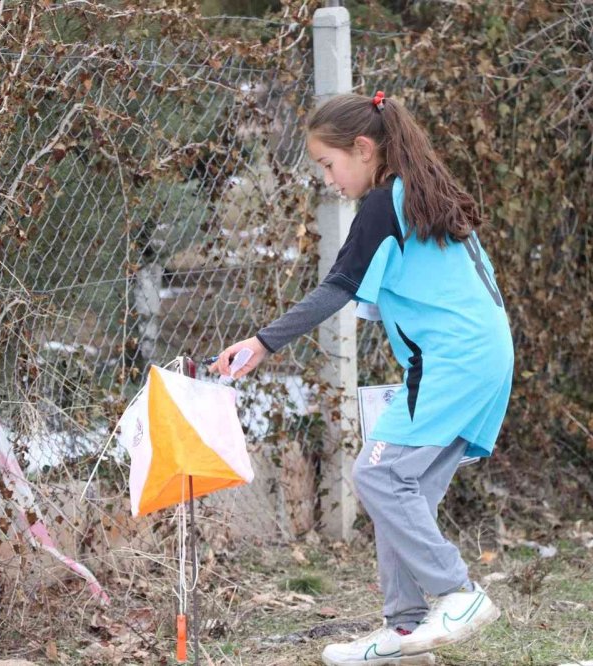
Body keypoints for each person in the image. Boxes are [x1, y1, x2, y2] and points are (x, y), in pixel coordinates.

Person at [209, 91, 513, 666]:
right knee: (407, 491)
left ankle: (458, 593)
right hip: (481, 356)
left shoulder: (385, 202)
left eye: (328, 164)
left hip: (453, 361)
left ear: (364, 148)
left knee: (376, 478)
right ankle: (403, 634)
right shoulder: (418, 194)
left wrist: (262, 341)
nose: (327, 178)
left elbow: (339, 286)